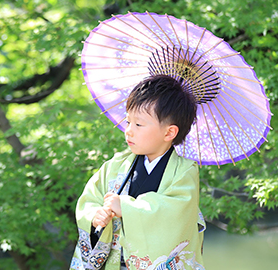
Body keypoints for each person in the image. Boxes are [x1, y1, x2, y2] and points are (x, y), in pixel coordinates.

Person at [70, 75, 206, 270]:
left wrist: (125, 207)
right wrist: (95, 215)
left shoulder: (184, 171)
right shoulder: (115, 165)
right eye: (128, 122)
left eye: (139, 125)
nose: (129, 131)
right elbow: (90, 199)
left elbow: (175, 212)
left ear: (169, 133)